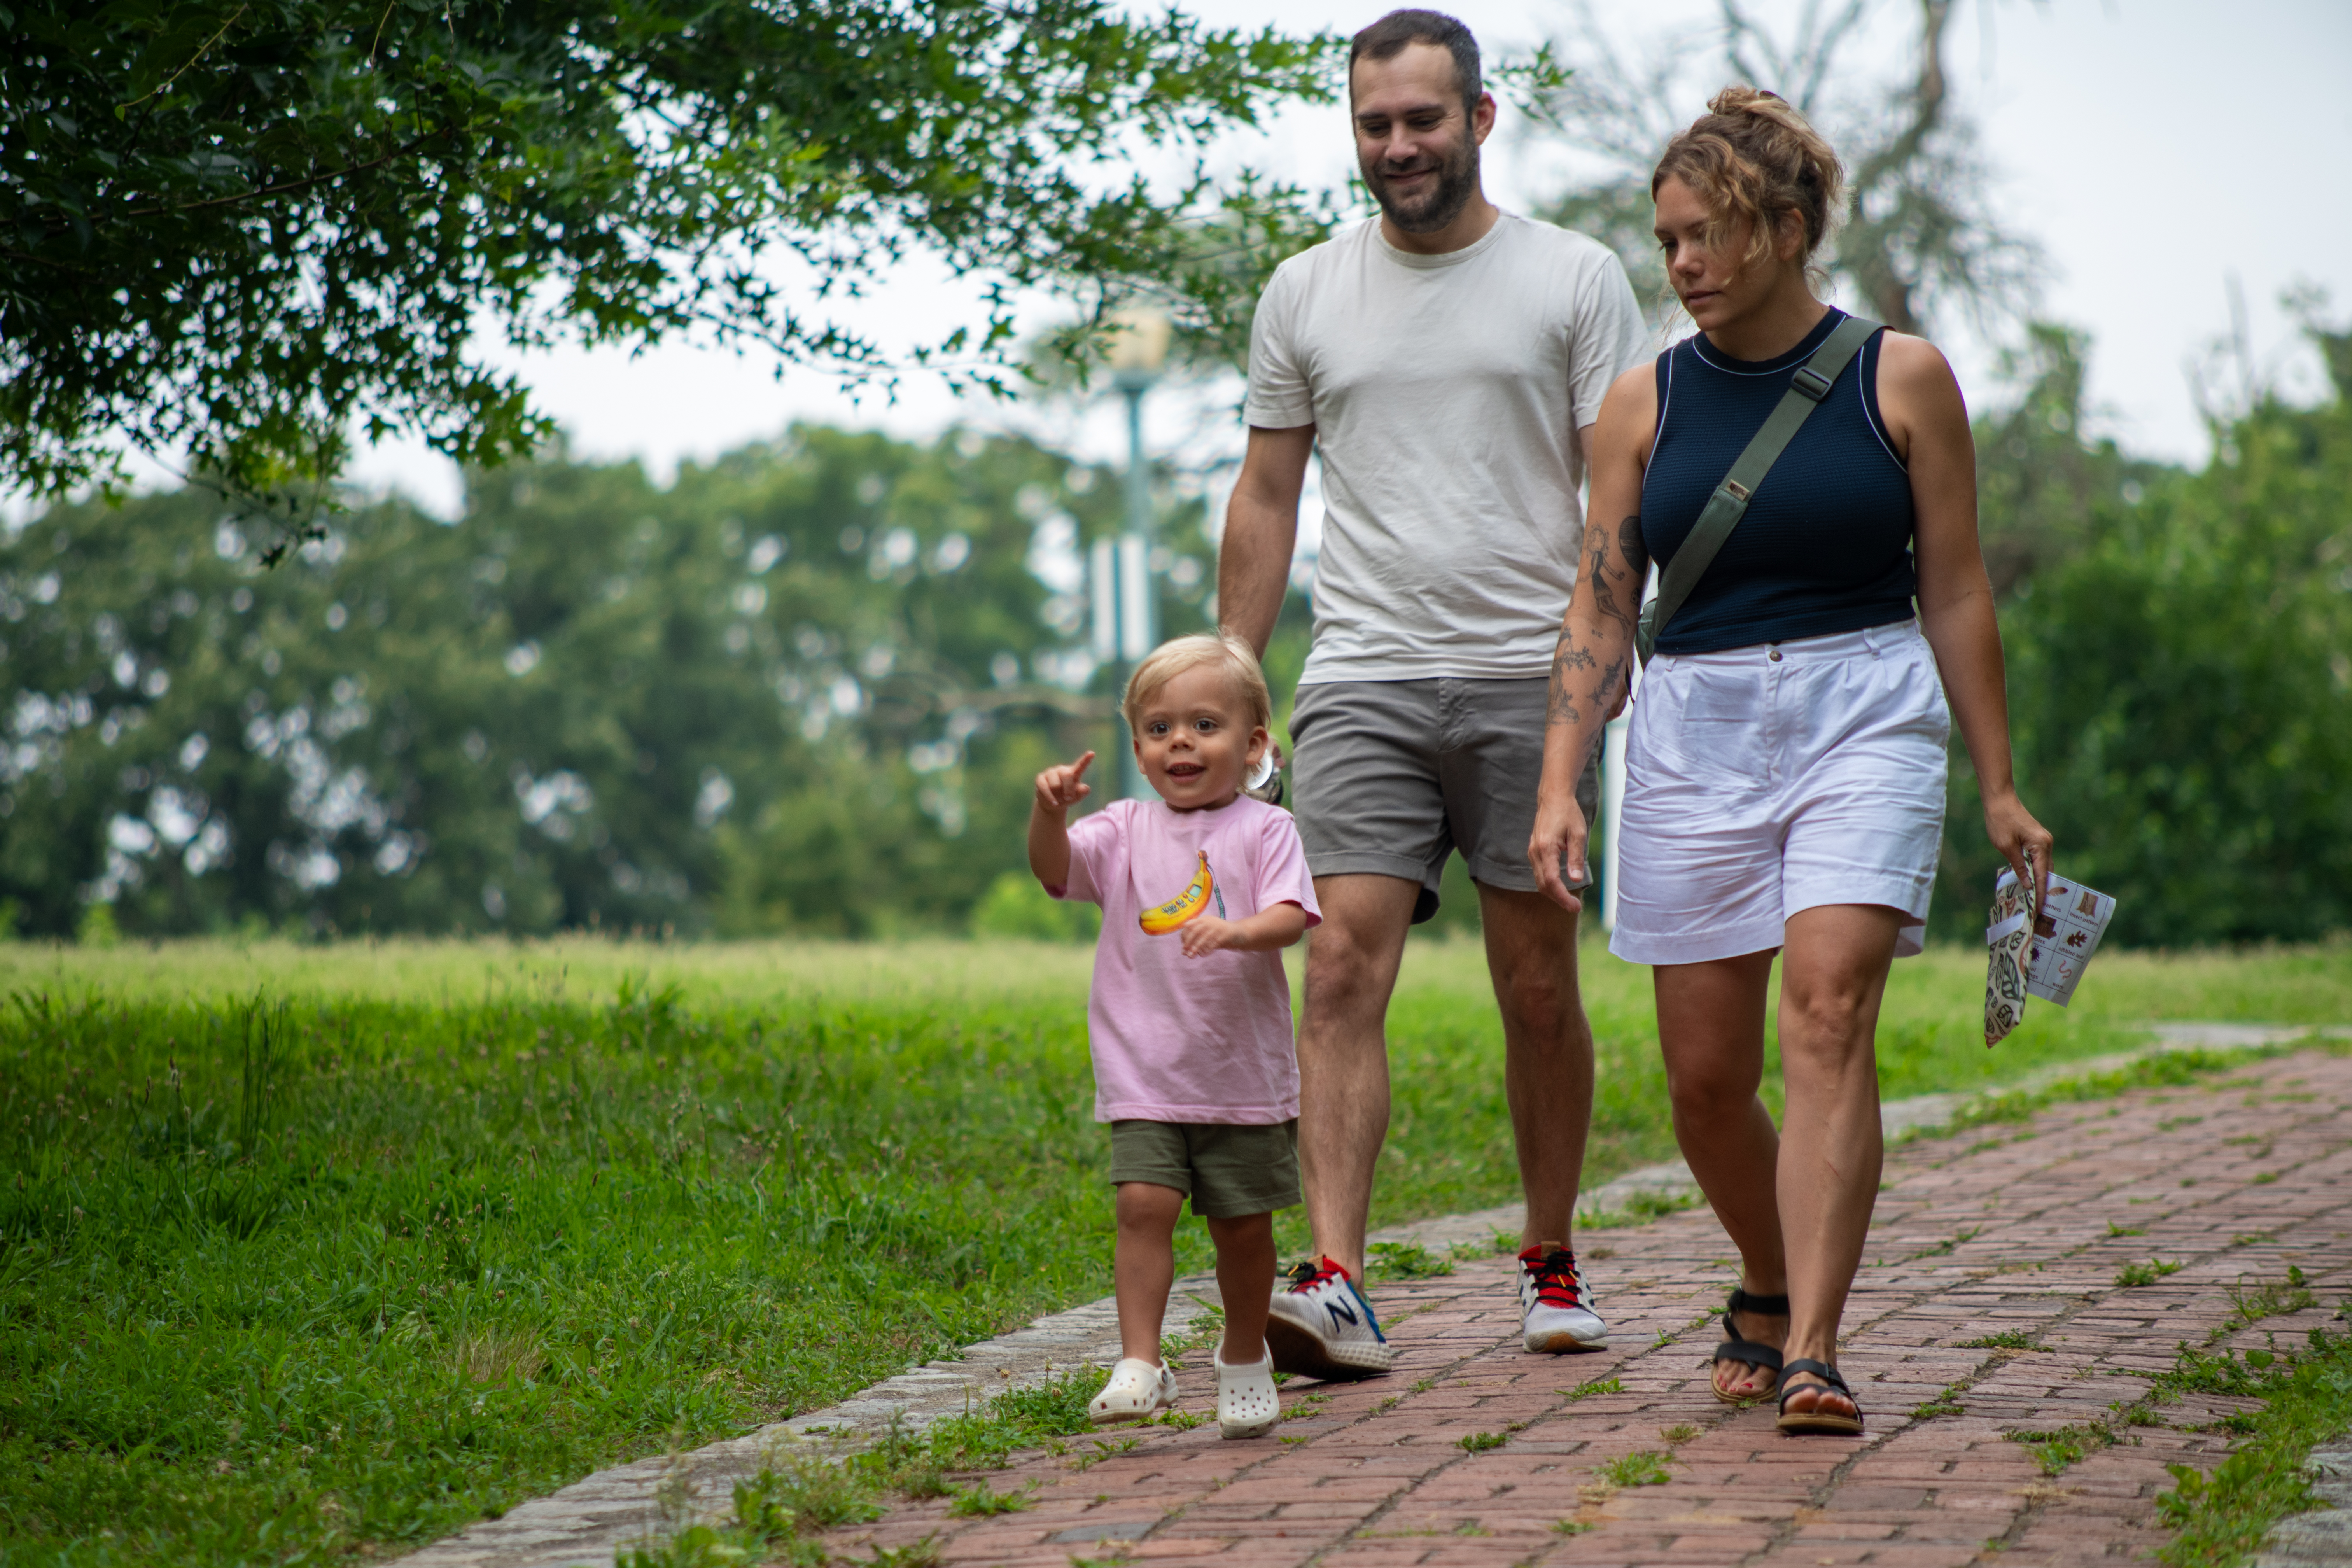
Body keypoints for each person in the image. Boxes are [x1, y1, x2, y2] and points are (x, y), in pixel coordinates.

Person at [1527, 87, 2053, 1435]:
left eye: (1702, 234)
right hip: (1691, 724)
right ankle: (1764, 1277)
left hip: (1861, 708)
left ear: (1780, 227)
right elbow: (1599, 599)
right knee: (1703, 1078)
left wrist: (1995, 783)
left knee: (1825, 1011)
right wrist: (1556, 780)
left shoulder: (1900, 376)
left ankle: (1812, 1345)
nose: (1680, 264)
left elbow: (1953, 590)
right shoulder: (1639, 402)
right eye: (1665, 242)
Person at [1218, 7, 1648, 1380]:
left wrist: (1598, 664)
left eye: (1419, 117)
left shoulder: (1572, 280)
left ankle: (1549, 1252)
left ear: (1477, 116)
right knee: (1336, 963)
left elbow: (1613, 492)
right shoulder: (1302, 293)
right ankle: (1335, 1275)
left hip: (1532, 672)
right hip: (1361, 674)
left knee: (1534, 980)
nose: (1395, 145)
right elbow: (1267, 491)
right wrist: (1234, 673)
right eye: (1372, 123)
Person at [1028, 632, 1322, 1439]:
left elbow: (1292, 918)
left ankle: (1242, 1352)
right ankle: (1141, 1361)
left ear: (1255, 743)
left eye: (1204, 724)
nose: (1180, 743)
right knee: (1143, 1206)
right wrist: (1049, 813)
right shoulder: (1123, 831)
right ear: (1137, 748)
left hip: (1243, 1075)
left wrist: (1236, 933)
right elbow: (1055, 874)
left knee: (1244, 1228)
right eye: (1159, 730)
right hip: (1145, 1071)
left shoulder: (1266, 833)